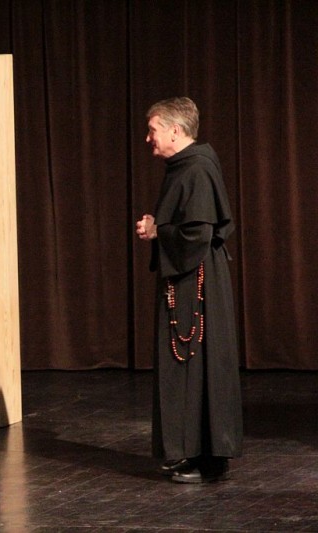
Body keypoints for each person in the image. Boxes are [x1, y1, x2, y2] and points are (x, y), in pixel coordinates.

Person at [135, 97, 243, 484]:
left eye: (153, 130)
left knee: (191, 363)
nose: (148, 138)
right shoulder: (188, 165)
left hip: (194, 279)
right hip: (195, 276)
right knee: (193, 364)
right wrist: (163, 228)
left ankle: (197, 456)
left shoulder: (195, 168)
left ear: (175, 131)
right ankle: (196, 453)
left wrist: (156, 231)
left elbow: (197, 233)